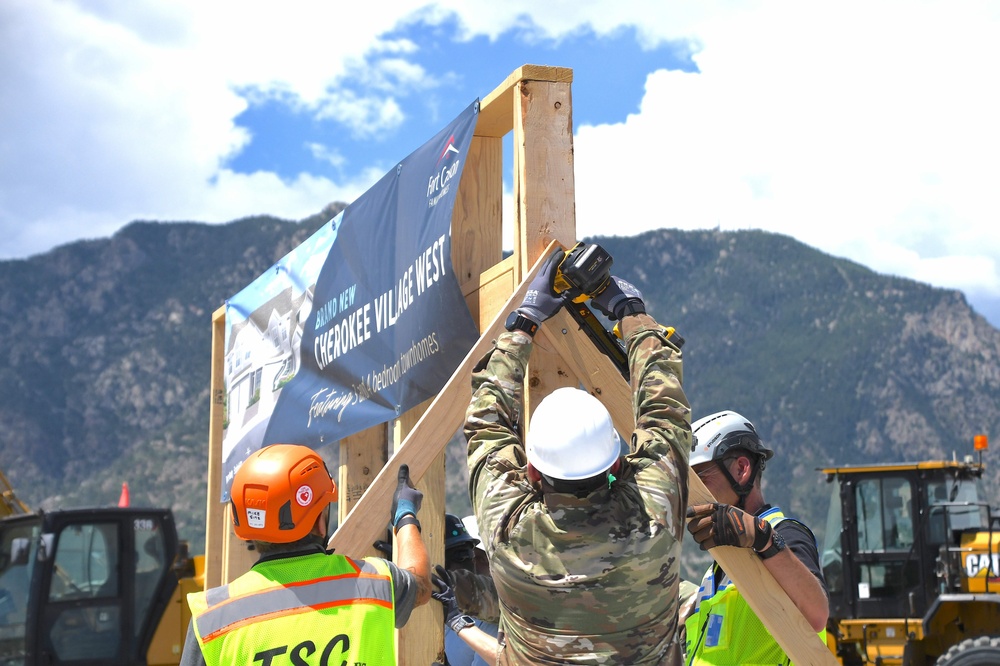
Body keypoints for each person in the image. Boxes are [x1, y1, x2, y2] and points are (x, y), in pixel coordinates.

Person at [465, 247, 691, 664]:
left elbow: (486, 421)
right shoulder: (654, 515)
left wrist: (525, 319)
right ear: (618, 464)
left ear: (531, 470)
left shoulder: (508, 531)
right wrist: (629, 310)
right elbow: (665, 410)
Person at [181, 444, 432, 666]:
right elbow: (420, 583)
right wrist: (405, 515)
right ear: (320, 523)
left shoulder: (211, 619)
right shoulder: (374, 583)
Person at [683, 411, 829, 664]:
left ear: (741, 469)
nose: (691, 493)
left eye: (700, 478)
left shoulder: (785, 534)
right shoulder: (718, 567)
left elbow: (817, 614)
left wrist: (764, 540)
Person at [438, 513, 501, 665]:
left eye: (470, 556)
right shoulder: (431, 611)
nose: (471, 566)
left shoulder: (496, 620)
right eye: (460, 557)